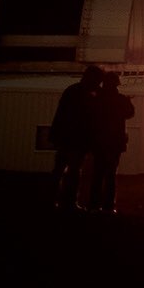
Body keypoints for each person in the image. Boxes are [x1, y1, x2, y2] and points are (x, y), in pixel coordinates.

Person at [50, 65, 102, 210]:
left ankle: (55, 200)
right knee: (73, 171)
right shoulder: (93, 93)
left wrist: (54, 134)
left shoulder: (72, 91)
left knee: (60, 170)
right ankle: (69, 202)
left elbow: (60, 114)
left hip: (67, 137)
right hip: (78, 139)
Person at [88, 71, 134, 214]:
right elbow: (130, 113)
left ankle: (93, 204)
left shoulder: (96, 100)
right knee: (110, 175)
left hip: (98, 142)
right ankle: (108, 206)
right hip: (114, 143)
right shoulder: (121, 100)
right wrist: (128, 101)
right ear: (116, 85)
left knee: (97, 174)